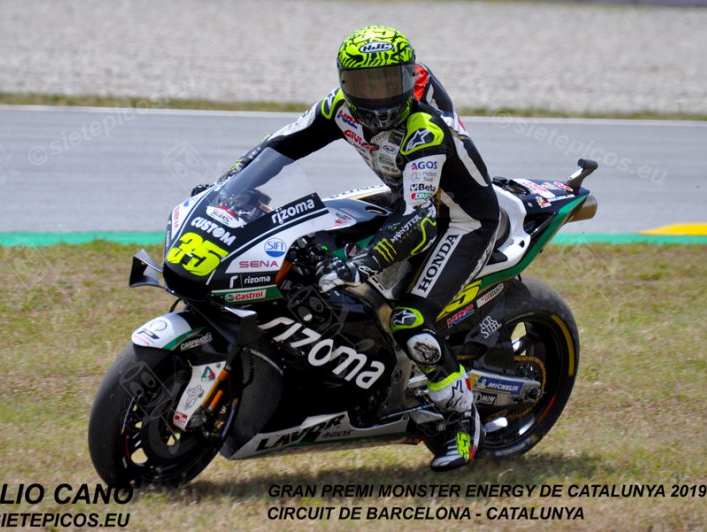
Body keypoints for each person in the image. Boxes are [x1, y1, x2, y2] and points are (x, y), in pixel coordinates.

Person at [213, 25, 499, 471]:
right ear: (346, 82)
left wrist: (364, 261)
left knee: (410, 320)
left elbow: (419, 220)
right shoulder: (338, 109)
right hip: (397, 198)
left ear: (408, 78)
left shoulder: (424, 131)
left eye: (388, 82)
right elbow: (279, 147)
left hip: (460, 220)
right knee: (306, 247)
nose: (377, 96)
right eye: (364, 84)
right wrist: (228, 188)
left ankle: (463, 424)